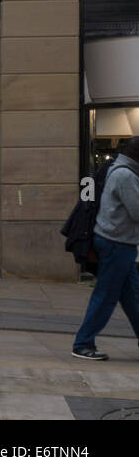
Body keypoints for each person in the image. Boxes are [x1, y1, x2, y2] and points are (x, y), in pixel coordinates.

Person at [72, 136, 139, 361]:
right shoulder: (125, 175)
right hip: (116, 244)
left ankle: (83, 342)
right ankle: (82, 344)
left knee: (133, 298)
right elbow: (137, 211)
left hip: (119, 243)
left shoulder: (120, 170)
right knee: (105, 297)